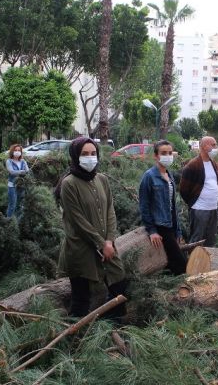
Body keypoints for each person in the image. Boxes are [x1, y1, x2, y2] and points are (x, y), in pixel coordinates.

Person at [58, 137, 127, 319]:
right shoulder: (69, 184)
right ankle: (77, 339)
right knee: (81, 300)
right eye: (84, 154)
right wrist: (100, 243)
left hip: (107, 246)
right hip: (81, 249)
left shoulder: (102, 179)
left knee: (118, 283)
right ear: (75, 156)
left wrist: (110, 240)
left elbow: (110, 210)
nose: (90, 158)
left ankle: (113, 330)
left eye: (93, 153)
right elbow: (77, 220)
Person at [138, 140, 187, 275]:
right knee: (181, 265)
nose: (167, 156)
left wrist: (178, 231)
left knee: (171, 263)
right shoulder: (149, 176)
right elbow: (144, 206)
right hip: (160, 227)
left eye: (170, 153)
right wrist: (152, 230)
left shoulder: (169, 175)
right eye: (163, 153)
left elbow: (173, 206)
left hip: (171, 225)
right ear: (156, 156)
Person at [179, 136, 218, 247]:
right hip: (199, 209)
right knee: (197, 239)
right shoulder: (193, 165)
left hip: (213, 208)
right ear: (205, 146)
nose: (216, 147)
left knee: (210, 239)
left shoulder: (213, 163)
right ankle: (193, 262)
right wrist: (193, 203)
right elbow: (183, 190)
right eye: (214, 144)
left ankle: (207, 263)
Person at [6, 144, 30, 219]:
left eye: (19, 150)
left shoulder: (23, 161)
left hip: (21, 186)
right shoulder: (9, 161)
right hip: (12, 186)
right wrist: (21, 171)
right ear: (12, 151)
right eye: (15, 150)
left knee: (19, 205)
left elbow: (27, 171)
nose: (17, 152)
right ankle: (9, 221)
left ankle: (17, 222)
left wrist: (22, 171)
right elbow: (11, 172)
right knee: (12, 205)